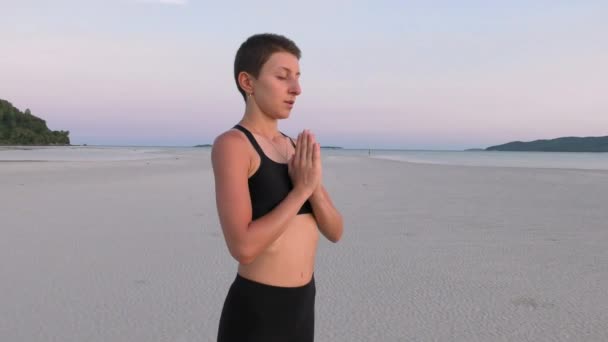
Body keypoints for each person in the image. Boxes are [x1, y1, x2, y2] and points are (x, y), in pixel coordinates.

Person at [211, 33, 344, 342]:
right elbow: (243, 248)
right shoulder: (234, 145)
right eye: (283, 77)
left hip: (302, 307)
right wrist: (299, 192)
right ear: (248, 82)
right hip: (257, 311)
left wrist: (312, 187)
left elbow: (336, 231)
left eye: (297, 78)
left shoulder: (296, 147)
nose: (296, 89)